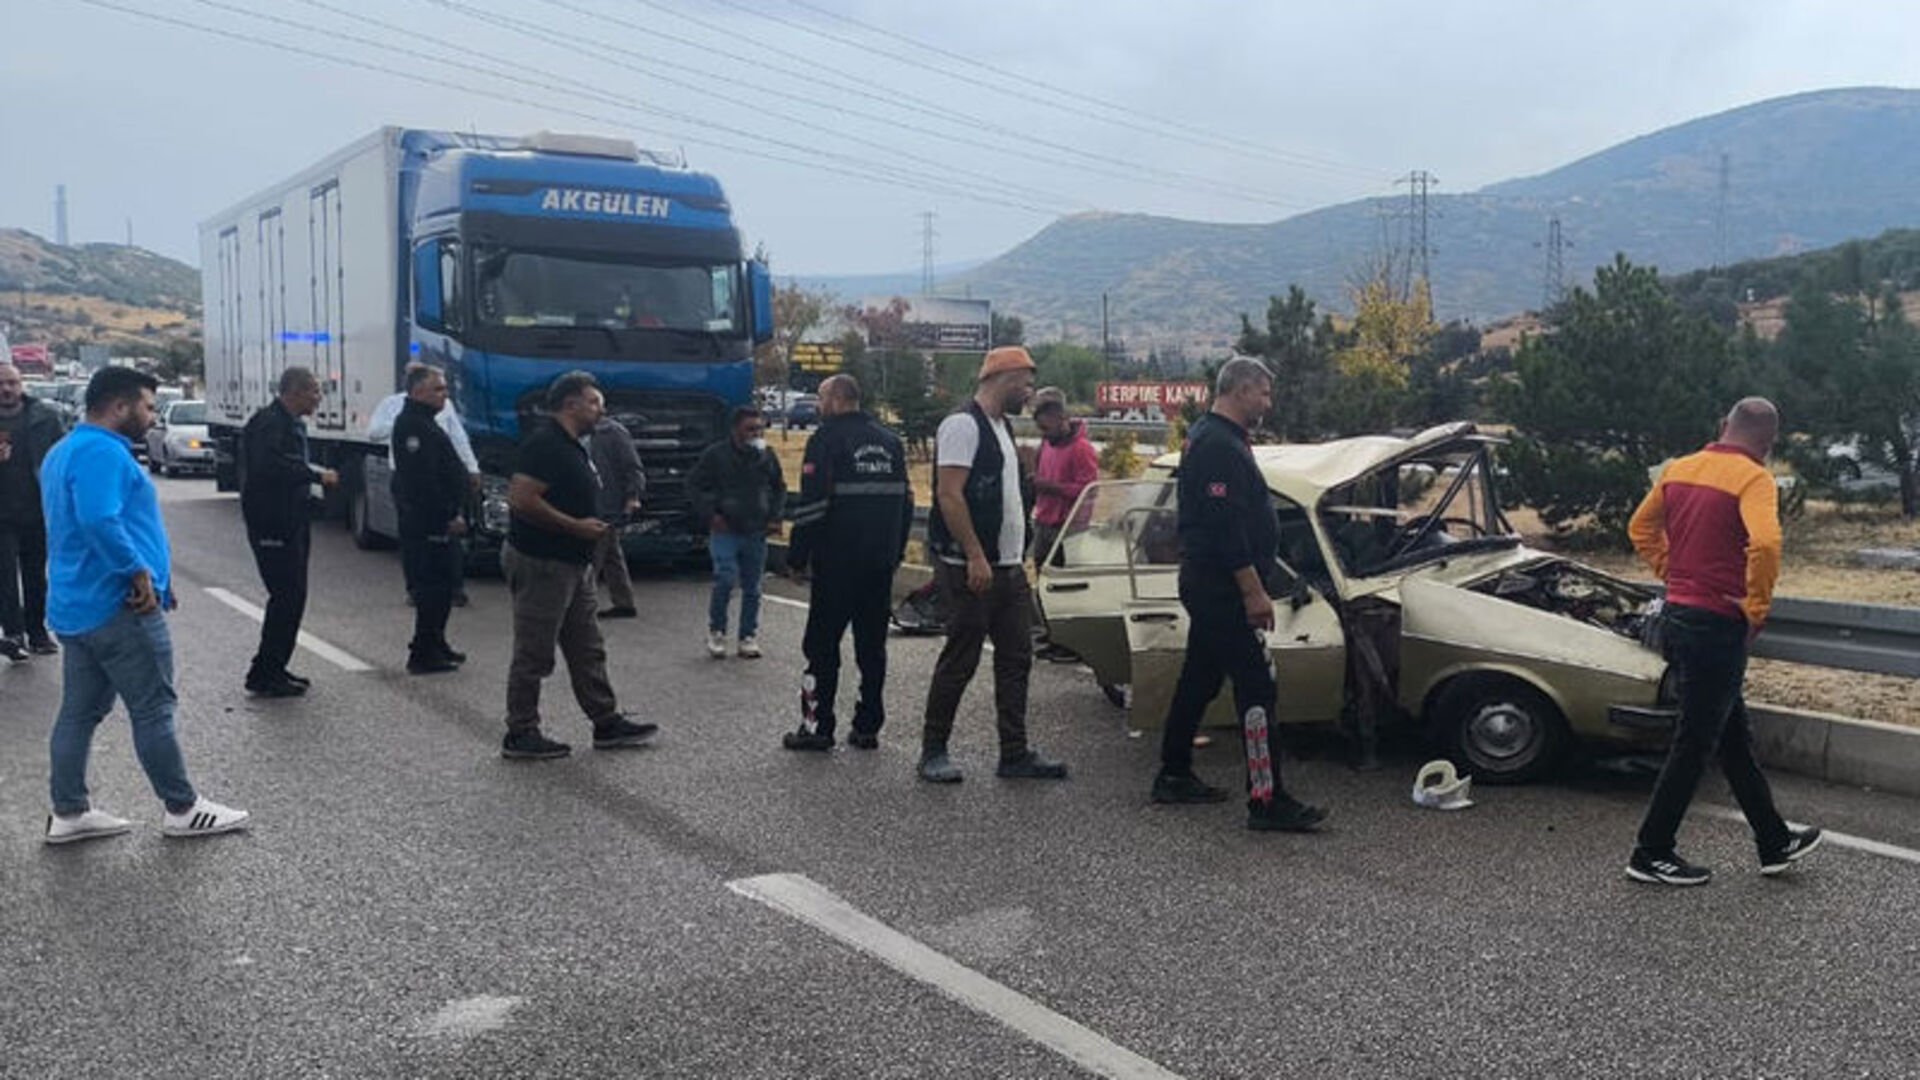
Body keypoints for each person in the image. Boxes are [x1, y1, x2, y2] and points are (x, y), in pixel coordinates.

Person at [39, 366, 248, 844]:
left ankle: (69, 811)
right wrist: (137, 572)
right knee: (154, 707)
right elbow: (98, 519)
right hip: (119, 605)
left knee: (79, 712)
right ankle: (182, 807)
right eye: (148, 407)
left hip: (77, 604)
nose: (153, 417)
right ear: (119, 406)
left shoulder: (63, 450)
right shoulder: (101, 452)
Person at [1624, 397, 1822, 886]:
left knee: (1731, 737)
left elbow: (1640, 528)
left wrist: (1673, 572)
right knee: (1695, 741)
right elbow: (1768, 543)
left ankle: (1774, 842)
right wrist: (1755, 607)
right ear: (1769, 441)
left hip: (1679, 614)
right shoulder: (1754, 479)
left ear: (1725, 426)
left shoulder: (1679, 469)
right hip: (1716, 625)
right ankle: (1651, 852)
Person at [1150, 357, 1326, 832]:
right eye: (1264, 394)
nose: (1268, 403)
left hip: (1213, 585)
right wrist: (1253, 591)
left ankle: (1173, 772)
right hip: (1222, 589)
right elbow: (1225, 528)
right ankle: (1266, 798)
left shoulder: (1220, 439)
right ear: (1242, 390)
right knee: (1257, 686)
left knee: (1200, 680)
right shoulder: (1217, 446)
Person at [918, 346, 1068, 783]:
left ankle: (1015, 752)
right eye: (1025, 382)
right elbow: (950, 494)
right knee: (960, 658)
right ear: (1004, 377)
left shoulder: (1002, 427)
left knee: (1017, 658)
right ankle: (933, 750)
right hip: (972, 568)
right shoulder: (963, 425)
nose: (1030, 391)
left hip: (1008, 567)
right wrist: (975, 554)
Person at [499, 371, 657, 760]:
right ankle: (520, 732)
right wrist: (575, 526)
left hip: (574, 562)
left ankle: (606, 722)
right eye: (594, 402)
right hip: (543, 561)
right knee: (535, 650)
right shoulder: (545, 444)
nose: (601, 409)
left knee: (588, 647)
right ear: (571, 405)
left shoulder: (574, 444)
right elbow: (521, 499)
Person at [781, 375, 913, 752]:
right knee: (872, 649)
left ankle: (817, 727)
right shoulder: (891, 442)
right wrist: (896, 552)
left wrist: (796, 557)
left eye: (821, 398)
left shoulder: (824, 440)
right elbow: (906, 502)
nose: (817, 406)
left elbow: (812, 507)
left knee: (820, 647)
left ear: (838, 399)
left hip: (836, 564)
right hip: (879, 565)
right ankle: (868, 726)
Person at [239, 367, 338, 697]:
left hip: (292, 520)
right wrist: (313, 474)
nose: (318, 397)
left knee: (293, 598)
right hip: (272, 524)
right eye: (313, 391)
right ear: (294, 392)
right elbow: (269, 467)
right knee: (286, 596)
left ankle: (274, 667)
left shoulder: (290, 423)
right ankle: (264, 673)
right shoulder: (270, 423)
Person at [366, 363, 480, 607]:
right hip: (409, 480)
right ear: (413, 385)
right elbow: (374, 433)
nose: (444, 393)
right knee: (415, 539)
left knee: (449, 541)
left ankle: (455, 587)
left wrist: (471, 468)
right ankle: (416, 588)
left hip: (441, 487)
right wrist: (395, 425)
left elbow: (458, 437)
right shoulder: (397, 409)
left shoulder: (444, 407)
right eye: (437, 388)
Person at [688, 405, 786, 659]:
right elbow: (694, 485)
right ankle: (717, 630)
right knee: (726, 577)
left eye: (759, 428)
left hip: (756, 530)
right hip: (726, 529)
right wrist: (711, 515)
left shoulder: (767, 457)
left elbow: (779, 488)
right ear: (735, 430)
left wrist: (775, 517)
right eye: (749, 429)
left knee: (753, 586)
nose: (755, 433)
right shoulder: (716, 456)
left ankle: (747, 636)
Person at [389, 364, 468, 675]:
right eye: (438, 389)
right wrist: (447, 514)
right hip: (427, 522)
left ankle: (436, 642)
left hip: (436, 519)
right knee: (432, 586)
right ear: (418, 391)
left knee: (445, 585)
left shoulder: (426, 422)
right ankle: (423, 652)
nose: (445, 395)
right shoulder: (412, 425)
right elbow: (422, 480)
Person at [0, 361, 65, 661]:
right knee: (5, 577)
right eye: (1, 384)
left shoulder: (44, 417)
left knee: (36, 576)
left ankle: (37, 631)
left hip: (37, 510)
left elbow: (64, 458)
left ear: (21, 384)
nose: (6, 389)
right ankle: (13, 633)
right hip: (2, 515)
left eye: (11, 383)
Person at [1029, 388, 1099, 571]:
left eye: (1046, 429)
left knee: (1062, 581)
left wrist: (1052, 488)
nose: (1043, 434)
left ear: (1061, 419)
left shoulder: (1081, 448)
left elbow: (1090, 491)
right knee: (1041, 573)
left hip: (1068, 529)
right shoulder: (1045, 444)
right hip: (1043, 522)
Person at [589, 414, 646, 619]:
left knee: (591, 556)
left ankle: (581, 606)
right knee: (611, 555)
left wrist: (633, 495)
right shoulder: (584, 433)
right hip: (594, 502)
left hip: (605, 503)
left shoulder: (612, 432)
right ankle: (624, 602)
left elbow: (632, 466)